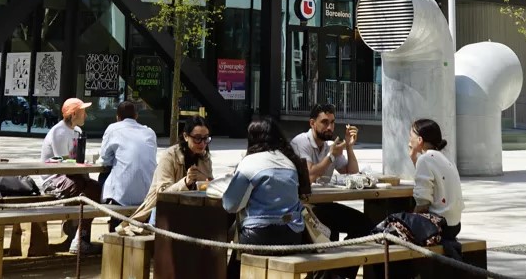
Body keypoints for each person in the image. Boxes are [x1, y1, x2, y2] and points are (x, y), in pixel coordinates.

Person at [0, 97, 102, 254]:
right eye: (83, 112)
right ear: (73, 114)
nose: (85, 115)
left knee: (95, 189)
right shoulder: (58, 132)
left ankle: (78, 235)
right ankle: (78, 237)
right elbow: (63, 163)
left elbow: (74, 162)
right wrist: (83, 165)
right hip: (53, 180)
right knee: (88, 189)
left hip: (72, 178)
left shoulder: (78, 132)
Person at [223, 118, 311, 278]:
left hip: (259, 236)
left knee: (235, 259)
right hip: (292, 234)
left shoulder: (249, 162)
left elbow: (230, 205)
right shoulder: (290, 162)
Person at [290, 103, 367, 241]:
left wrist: (349, 146)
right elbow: (309, 176)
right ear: (312, 123)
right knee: (332, 224)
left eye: (332, 122)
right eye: (325, 122)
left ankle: (346, 255)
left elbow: (352, 174)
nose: (330, 127)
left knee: (364, 224)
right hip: (304, 208)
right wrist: (331, 157)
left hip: (325, 204)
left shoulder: (329, 146)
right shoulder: (300, 142)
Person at [129, 116, 213, 227]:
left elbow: (208, 185)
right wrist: (185, 183)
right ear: (186, 136)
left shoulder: (205, 158)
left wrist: (209, 183)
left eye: (205, 138)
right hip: (162, 210)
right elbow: (162, 193)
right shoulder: (169, 156)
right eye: (197, 138)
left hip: (192, 209)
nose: (202, 144)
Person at [97, 102, 159, 210]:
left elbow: (104, 159)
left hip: (122, 196)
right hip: (148, 194)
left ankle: (106, 207)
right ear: (136, 116)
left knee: (103, 175)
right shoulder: (150, 132)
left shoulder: (113, 129)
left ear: (117, 117)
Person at [409, 119, 462, 243]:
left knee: (396, 220)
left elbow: (423, 203)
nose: (409, 140)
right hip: (454, 225)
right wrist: (413, 158)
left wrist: (410, 220)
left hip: (438, 227)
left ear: (420, 140)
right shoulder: (446, 157)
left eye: (411, 136)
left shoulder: (424, 159)